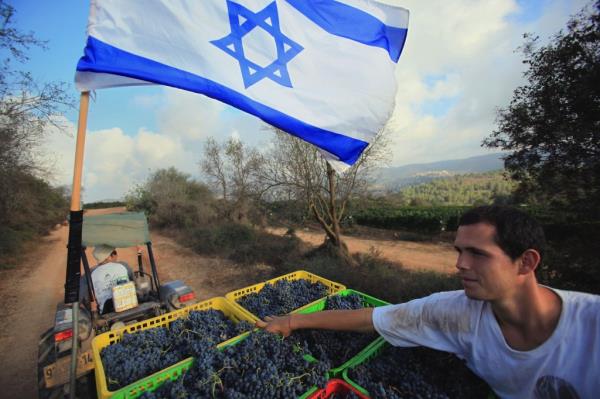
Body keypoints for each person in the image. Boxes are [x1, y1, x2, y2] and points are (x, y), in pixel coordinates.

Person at [257, 206, 599, 399]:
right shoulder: (458, 312)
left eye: (477, 254)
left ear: (526, 263)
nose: (460, 265)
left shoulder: (592, 326)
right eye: (459, 252)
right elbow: (371, 318)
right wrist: (292, 321)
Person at [85, 245, 134, 314]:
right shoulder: (121, 266)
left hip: (106, 312)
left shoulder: (93, 274)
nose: (116, 256)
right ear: (108, 257)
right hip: (129, 306)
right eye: (114, 253)